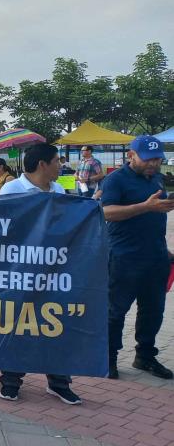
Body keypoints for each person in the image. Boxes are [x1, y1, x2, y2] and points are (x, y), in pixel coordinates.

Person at [0, 143, 81, 404]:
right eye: (56, 161)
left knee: (56, 325)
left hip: (54, 270)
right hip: (21, 271)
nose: (60, 165)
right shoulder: (13, 189)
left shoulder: (59, 189)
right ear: (42, 164)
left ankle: (59, 381)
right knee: (18, 324)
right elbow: (5, 229)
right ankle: (11, 381)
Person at [101, 135, 174, 380]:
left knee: (153, 311)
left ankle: (145, 356)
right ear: (131, 155)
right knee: (116, 311)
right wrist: (146, 206)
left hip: (155, 258)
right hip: (124, 258)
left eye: (157, 159)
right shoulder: (115, 180)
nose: (153, 164)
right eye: (148, 159)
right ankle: (108, 358)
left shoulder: (157, 179)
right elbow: (106, 213)